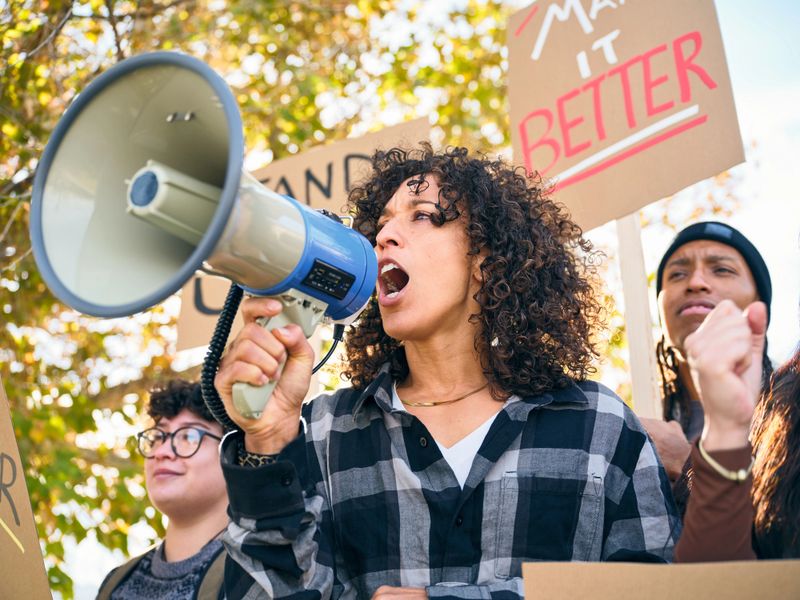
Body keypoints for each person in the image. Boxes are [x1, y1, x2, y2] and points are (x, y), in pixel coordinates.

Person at [213, 144, 680, 599]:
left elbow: (655, 591)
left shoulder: (597, 425)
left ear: (486, 258)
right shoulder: (321, 433)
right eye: (381, 226)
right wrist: (268, 445)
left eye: (421, 215)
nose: (383, 238)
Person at [641, 221, 773, 513]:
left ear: (759, 303)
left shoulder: (792, 408)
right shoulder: (640, 424)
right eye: (677, 274)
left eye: (722, 269)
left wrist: (685, 461)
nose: (695, 282)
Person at [674, 296, 800, 561]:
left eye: (722, 269)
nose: (697, 283)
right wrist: (725, 433)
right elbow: (714, 582)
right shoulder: (776, 412)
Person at [96, 379, 228, 600]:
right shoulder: (116, 583)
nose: (162, 451)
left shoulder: (252, 577)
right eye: (158, 437)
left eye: (189, 436)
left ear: (234, 453)